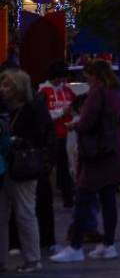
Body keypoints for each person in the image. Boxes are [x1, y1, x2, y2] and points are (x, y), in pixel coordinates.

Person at [52, 60, 120, 263]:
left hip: (96, 155)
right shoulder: (115, 93)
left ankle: (75, 246)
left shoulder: (97, 93)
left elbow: (87, 122)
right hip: (113, 151)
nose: (85, 78)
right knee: (108, 200)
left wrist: (74, 126)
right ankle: (109, 245)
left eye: (87, 75)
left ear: (95, 75)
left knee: (83, 198)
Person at [1, 68, 53, 273]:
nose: (3, 89)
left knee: (24, 213)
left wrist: (17, 141)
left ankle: (32, 259)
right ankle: (3, 260)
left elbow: (39, 137)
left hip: (22, 166)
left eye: (7, 86)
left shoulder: (31, 110)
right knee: (3, 214)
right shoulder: (7, 110)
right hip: (6, 165)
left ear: (19, 89)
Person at [38, 61, 77, 212]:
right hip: (52, 136)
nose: (63, 81)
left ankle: (69, 199)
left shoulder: (67, 90)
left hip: (67, 134)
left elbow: (76, 106)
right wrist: (63, 112)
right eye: (61, 78)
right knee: (48, 168)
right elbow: (43, 116)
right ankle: (42, 197)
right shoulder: (43, 92)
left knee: (65, 168)